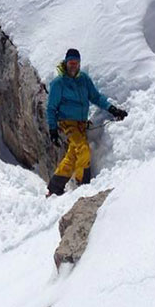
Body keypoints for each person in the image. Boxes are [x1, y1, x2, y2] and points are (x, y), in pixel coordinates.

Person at [45, 48, 127, 196]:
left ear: (79, 64)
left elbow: (96, 97)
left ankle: (55, 188)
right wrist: (52, 129)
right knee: (83, 150)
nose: (73, 66)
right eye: (71, 62)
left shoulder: (84, 79)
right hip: (67, 124)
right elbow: (51, 108)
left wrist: (113, 109)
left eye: (76, 63)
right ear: (66, 62)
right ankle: (83, 185)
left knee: (72, 155)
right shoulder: (59, 83)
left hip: (81, 124)